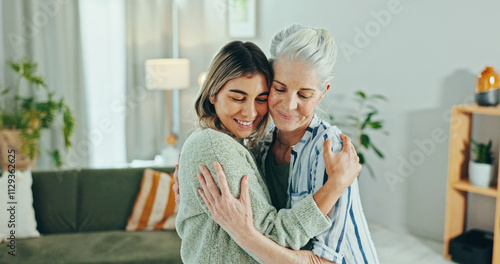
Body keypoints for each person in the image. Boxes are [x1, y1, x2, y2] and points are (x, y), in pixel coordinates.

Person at [192, 25, 380, 264]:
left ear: (322, 94)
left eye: (304, 95)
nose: (289, 105)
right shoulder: (261, 144)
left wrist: (244, 233)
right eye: (279, 88)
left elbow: (322, 261)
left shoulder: (329, 152)